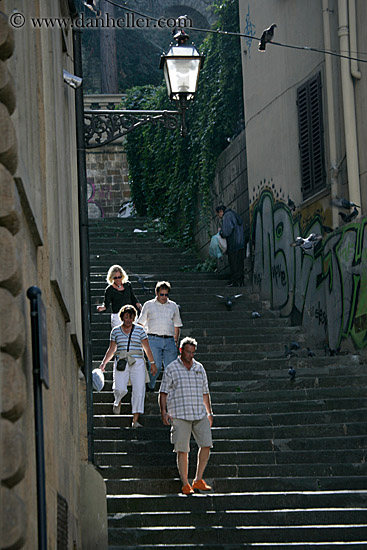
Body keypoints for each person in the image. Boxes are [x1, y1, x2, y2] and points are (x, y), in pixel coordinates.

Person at [159, 337, 214, 495]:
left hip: (199, 412)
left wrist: (209, 412)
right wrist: (164, 411)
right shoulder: (172, 368)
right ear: (181, 351)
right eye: (188, 352)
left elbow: (205, 392)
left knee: (207, 444)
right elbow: (163, 392)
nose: (190, 355)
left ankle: (198, 479)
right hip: (179, 413)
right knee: (182, 449)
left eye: (193, 352)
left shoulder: (199, 367)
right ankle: (185, 483)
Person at [99, 304, 157, 428]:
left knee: (139, 390)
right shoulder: (115, 331)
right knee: (119, 388)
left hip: (137, 361)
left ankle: (135, 420)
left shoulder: (140, 330)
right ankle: (118, 400)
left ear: (134, 318)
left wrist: (152, 363)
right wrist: (104, 363)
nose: (128, 320)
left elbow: (147, 349)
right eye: (126, 317)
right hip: (121, 360)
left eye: (131, 317)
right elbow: (112, 349)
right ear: (122, 317)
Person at [138, 281, 182, 392]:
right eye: (161, 294)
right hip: (153, 339)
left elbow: (177, 324)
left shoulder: (173, 306)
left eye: (166, 295)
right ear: (156, 293)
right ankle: (151, 385)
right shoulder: (149, 305)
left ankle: (168, 390)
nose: (164, 297)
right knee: (155, 366)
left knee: (171, 368)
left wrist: (175, 340)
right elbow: (140, 323)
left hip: (169, 340)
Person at [216, 204, 245, 287]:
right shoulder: (233, 214)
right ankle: (240, 281)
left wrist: (221, 232)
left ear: (221, 211)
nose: (218, 216)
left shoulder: (227, 216)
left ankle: (235, 282)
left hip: (233, 243)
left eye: (218, 214)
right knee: (239, 264)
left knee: (234, 264)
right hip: (240, 242)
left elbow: (227, 231)